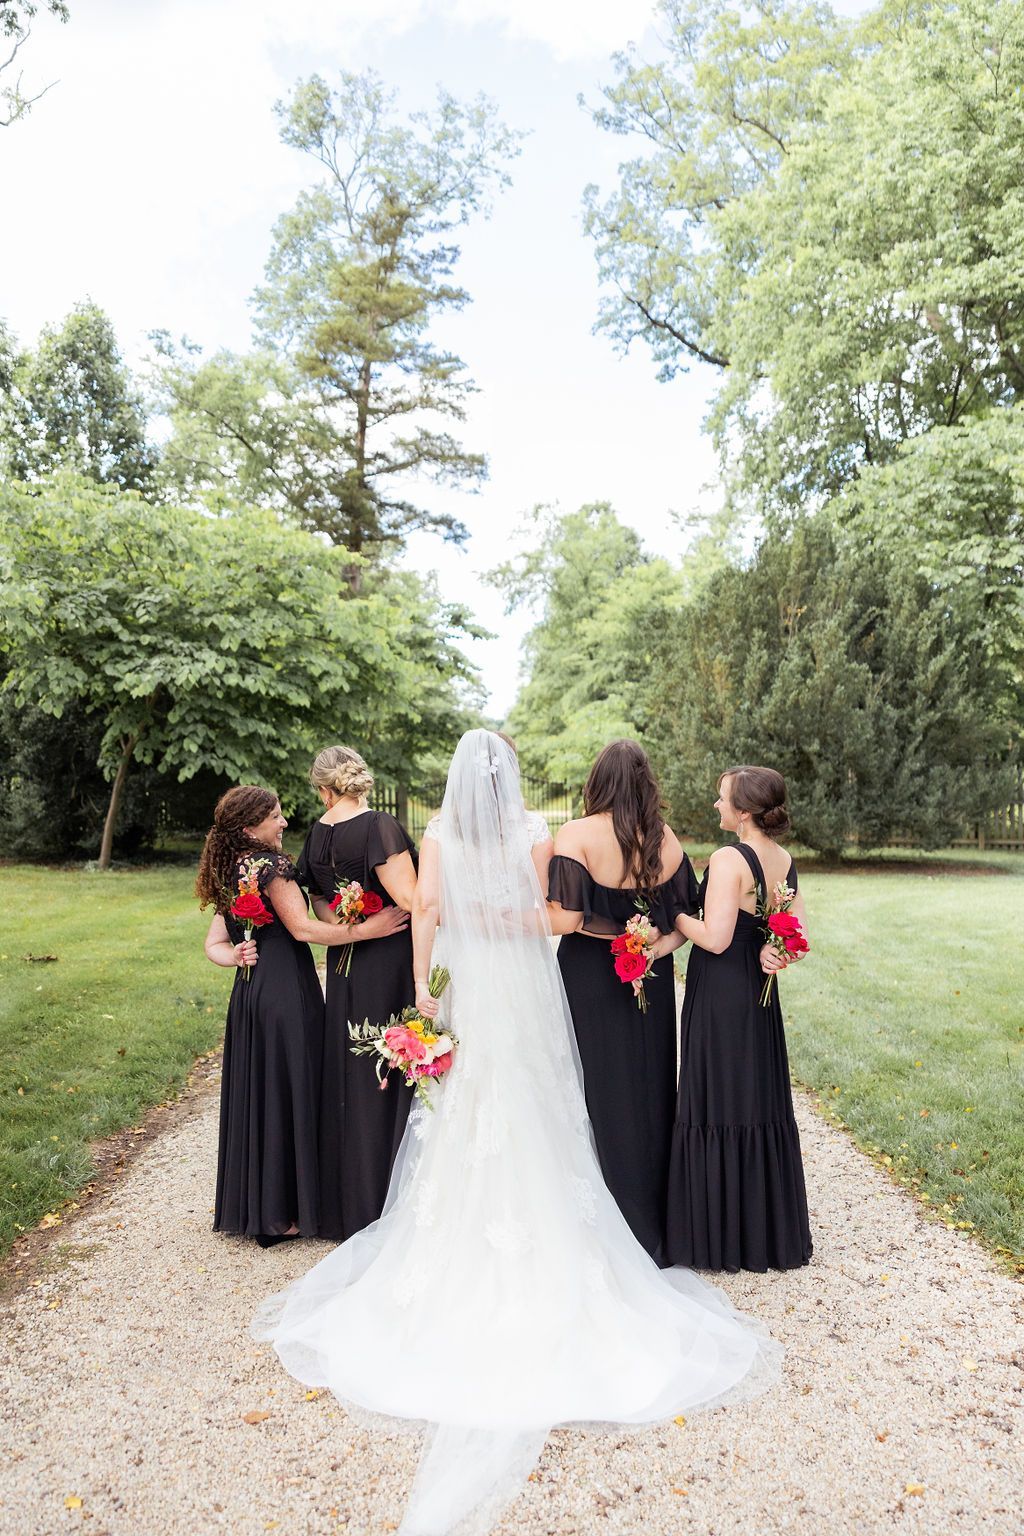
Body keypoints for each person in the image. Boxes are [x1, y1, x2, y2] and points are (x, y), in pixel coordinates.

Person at [254, 732, 779, 1535]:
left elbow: (428, 910)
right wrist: (523, 931)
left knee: (466, 1114)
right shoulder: (535, 832)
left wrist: (430, 992)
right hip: (523, 990)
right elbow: (548, 919)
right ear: (510, 780)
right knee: (542, 1105)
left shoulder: (439, 832)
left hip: (468, 977)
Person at [197, 785, 405, 1248]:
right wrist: (368, 929)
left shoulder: (232, 868)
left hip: (251, 993)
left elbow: (214, 944)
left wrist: (236, 956)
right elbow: (304, 927)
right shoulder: (270, 867)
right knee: (293, 1089)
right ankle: (284, 1213)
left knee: (264, 1092)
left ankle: (264, 1210)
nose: (284, 822)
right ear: (251, 828)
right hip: (287, 991)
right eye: (274, 817)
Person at [545, 740, 698, 1263]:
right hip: (650, 974)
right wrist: (654, 947)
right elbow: (684, 923)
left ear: (598, 781)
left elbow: (566, 917)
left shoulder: (577, 835)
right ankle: (652, 1221)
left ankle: (600, 1222)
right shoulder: (667, 839)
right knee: (650, 1085)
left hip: (590, 974)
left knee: (592, 1086)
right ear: (644, 782)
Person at [665, 765, 813, 1272]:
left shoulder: (730, 858)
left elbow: (716, 937)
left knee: (719, 1095)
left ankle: (716, 1236)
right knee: (753, 1096)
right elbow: (795, 935)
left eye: (722, 798)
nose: (716, 805)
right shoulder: (784, 858)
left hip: (723, 993)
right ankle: (763, 1233)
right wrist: (776, 954)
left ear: (744, 811)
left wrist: (674, 911)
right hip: (757, 996)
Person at [296, 745, 417, 1241]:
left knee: (352, 1067)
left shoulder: (318, 832)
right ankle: (384, 1198)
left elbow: (320, 898)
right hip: (388, 959)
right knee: (387, 1065)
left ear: (324, 789)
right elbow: (411, 900)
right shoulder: (378, 827)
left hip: (346, 959)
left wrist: (350, 922)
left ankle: (347, 1201)